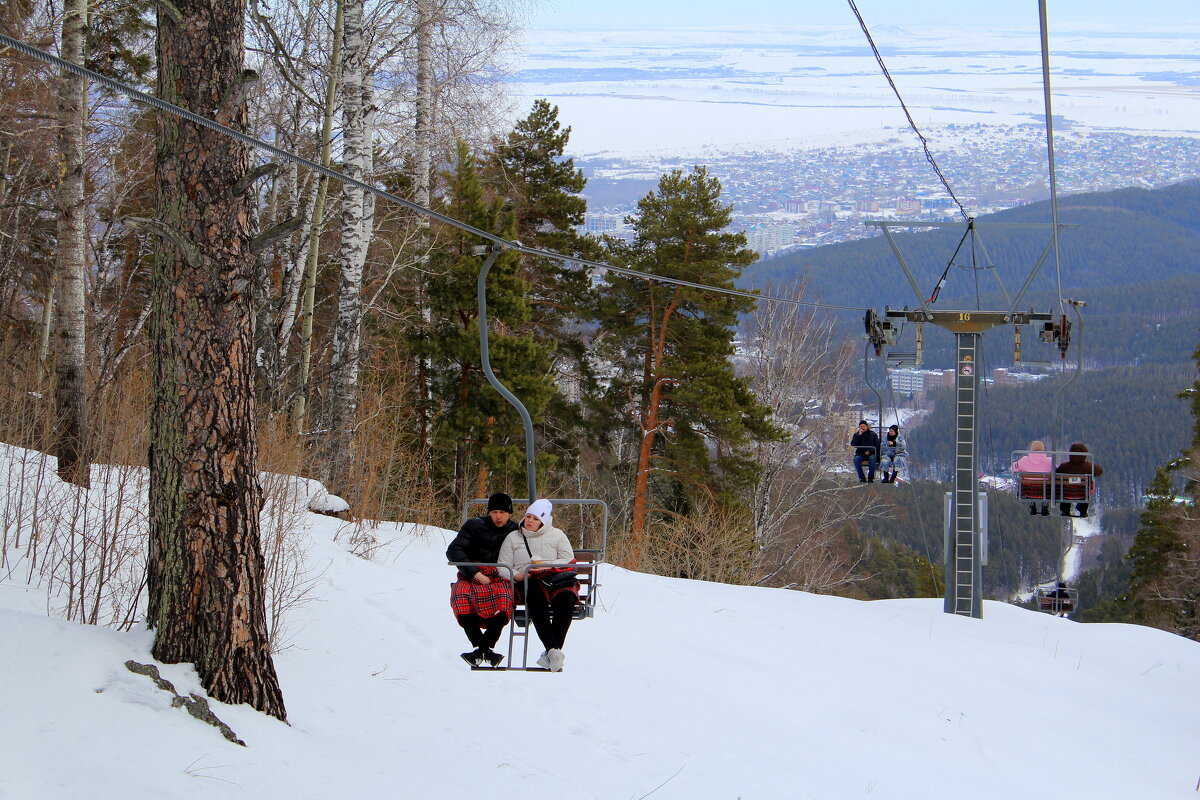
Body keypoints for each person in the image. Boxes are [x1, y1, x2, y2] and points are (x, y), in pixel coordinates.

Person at [497, 499, 578, 672]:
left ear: (543, 521)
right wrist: (518, 575)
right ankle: (553, 651)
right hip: (527, 580)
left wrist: (546, 566)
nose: (530, 521)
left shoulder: (557, 535)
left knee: (566, 599)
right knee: (534, 598)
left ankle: (552, 652)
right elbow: (503, 566)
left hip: (555, 579)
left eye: (535, 519)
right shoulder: (513, 537)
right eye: (528, 516)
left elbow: (568, 559)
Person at [446, 492, 519, 667]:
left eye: (502, 512)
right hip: (473, 575)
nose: (498, 516)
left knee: (503, 598)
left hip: (500, 575)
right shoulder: (474, 525)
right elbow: (454, 550)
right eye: (494, 512)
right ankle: (484, 648)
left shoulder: (516, 531)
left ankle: (481, 650)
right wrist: (475, 572)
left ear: (510, 513)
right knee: (460, 595)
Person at [1055, 442, 1103, 518]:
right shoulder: (1089, 467)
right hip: (1082, 494)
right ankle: (1083, 510)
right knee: (1086, 490)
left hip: (1067, 493)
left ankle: (1065, 510)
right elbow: (1100, 471)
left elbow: (1056, 473)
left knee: (1064, 489)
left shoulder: (1064, 466)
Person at [1012, 440, 1053, 516]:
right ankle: (1045, 505)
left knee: (1028, 485)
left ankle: (1032, 505)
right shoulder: (1050, 461)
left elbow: (1013, 468)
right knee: (1048, 484)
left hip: (1028, 490)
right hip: (1045, 491)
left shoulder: (1024, 460)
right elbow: (1057, 471)